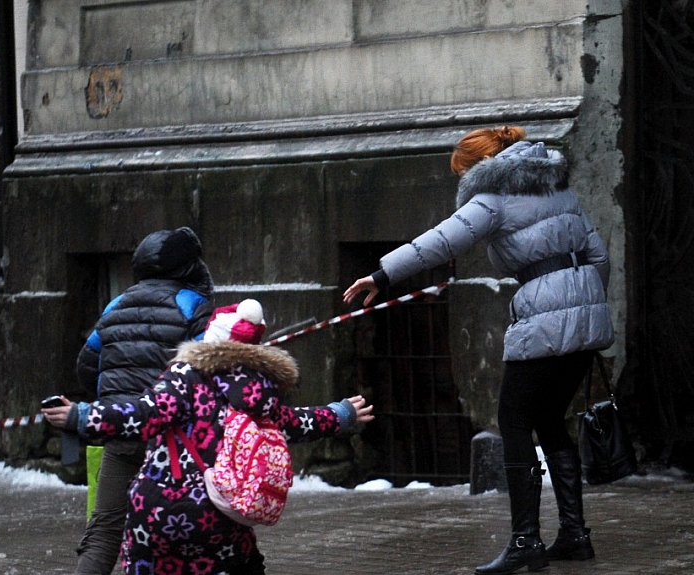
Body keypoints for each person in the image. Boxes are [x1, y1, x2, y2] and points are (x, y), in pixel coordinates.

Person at [343, 126, 614, 575]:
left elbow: (441, 240)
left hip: (547, 315)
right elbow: (599, 255)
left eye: (462, 172)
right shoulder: (557, 187)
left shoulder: (493, 197)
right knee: (550, 421)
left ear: (479, 167)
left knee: (514, 419)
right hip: (587, 312)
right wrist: (585, 308)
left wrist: (383, 274)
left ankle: (526, 540)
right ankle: (575, 535)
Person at [43, 298, 375, 575]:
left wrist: (82, 416)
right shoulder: (261, 389)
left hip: (156, 512)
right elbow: (295, 423)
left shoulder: (185, 377)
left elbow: (140, 416)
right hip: (221, 514)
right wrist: (341, 413)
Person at [73, 226, 215, 575]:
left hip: (121, 435)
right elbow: (209, 370)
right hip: (174, 442)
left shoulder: (116, 305)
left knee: (104, 531)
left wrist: (115, 403)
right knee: (182, 535)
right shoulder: (194, 306)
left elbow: (86, 364)